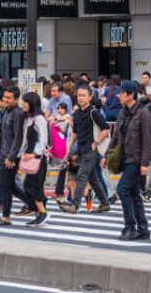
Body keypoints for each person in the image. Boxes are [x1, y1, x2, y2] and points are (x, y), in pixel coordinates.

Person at [102, 81, 151, 241]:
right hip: (124, 157)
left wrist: (145, 163)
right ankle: (143, 229)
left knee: (123, 190)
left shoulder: (143, 113)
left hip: (136, 159)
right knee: (133, 194)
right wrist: (106, 155)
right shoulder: (123, 112)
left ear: (131, 95)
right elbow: (116, 136)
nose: (119, 95)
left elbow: (147, 140)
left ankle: (130, 225)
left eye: (122, 93)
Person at [58, 85, 111, 215]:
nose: (80, 98)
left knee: (81, 176)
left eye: (83, 95)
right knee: (93, 179)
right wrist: (69, 146)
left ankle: (74, 205)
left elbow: (106, 128)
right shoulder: (76, 113)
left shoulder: (94, 112)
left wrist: (97, 141)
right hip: (81, 149)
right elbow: (75, 133)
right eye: (79, 95)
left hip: (91, 150)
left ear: (90, 97)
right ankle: (105, 203)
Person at [0, 86, 31, 225]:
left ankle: (6, 216)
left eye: (8, 98)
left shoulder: (18, 113)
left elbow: (18, 138)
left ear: (16, 99)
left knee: (5, 185)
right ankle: (35, 204)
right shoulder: (6, 110)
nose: (5, 99)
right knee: (11, 186)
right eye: (4, 97)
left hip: (11, 156)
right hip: (3, 154)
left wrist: (11, 157)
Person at [18, 92, 51, 227]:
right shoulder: (28, 118)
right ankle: (39, 211)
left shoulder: (39, 119)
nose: (23, 104)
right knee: (31, 185)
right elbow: (26, 140)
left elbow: (43, 139)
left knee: (32, 185)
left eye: (25, 102)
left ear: (32, 103)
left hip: (39, 159)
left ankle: (42, 212)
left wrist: (35, 153)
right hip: (30, 157)